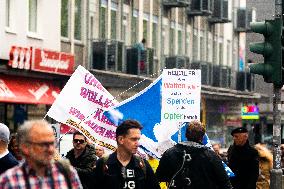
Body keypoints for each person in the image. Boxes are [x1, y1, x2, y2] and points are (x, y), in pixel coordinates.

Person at [0, 119, 82, 189]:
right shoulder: (9, 180)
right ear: (26, 148)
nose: (50, 149)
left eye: (52, 143)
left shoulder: (68, 173)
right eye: (44, 144)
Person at [156, 120, 232, 189]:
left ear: (186, 135)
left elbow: (159, 177)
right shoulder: (211, 156)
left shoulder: (170, 153)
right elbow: (225, 182)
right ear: (202, 137)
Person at [94, 119, 160, 189]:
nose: (138, 143)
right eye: (134, 139)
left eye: (138, 139)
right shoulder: (102, 163)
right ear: (121, 139)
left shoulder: (143, 164)